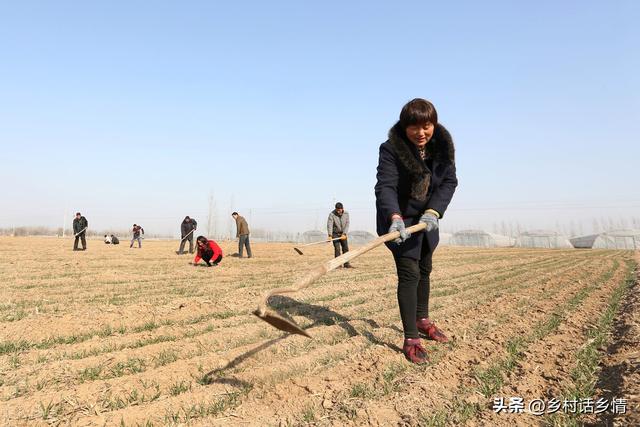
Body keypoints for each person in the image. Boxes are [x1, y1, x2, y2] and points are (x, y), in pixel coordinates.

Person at [375, 98, 458, 364]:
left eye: (426, 125)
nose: (420, 133)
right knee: (409, 273)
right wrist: (394, 216)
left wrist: (434, 211)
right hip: (398, 220)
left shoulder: (442, 148)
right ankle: (411, 337)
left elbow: (449, 181)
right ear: (404, 126)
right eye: (413, 127)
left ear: (433, 124)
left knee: (425, 268)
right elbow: (385, 185)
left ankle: (422, 320)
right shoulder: (391, 149)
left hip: (427, 219)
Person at [327, 202, 353, 268]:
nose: (338, 211)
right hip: (335, 234)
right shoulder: (332, 214)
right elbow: (329, 225)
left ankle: (346, 264)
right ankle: (338, 265)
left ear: (342, 209)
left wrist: (344, 233)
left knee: (345, 248)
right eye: (337, 210)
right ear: (335, 209)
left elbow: (347, 224)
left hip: (343, 234)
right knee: (337, 248)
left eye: (339, 210)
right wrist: (330, 235)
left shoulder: (346, 214)